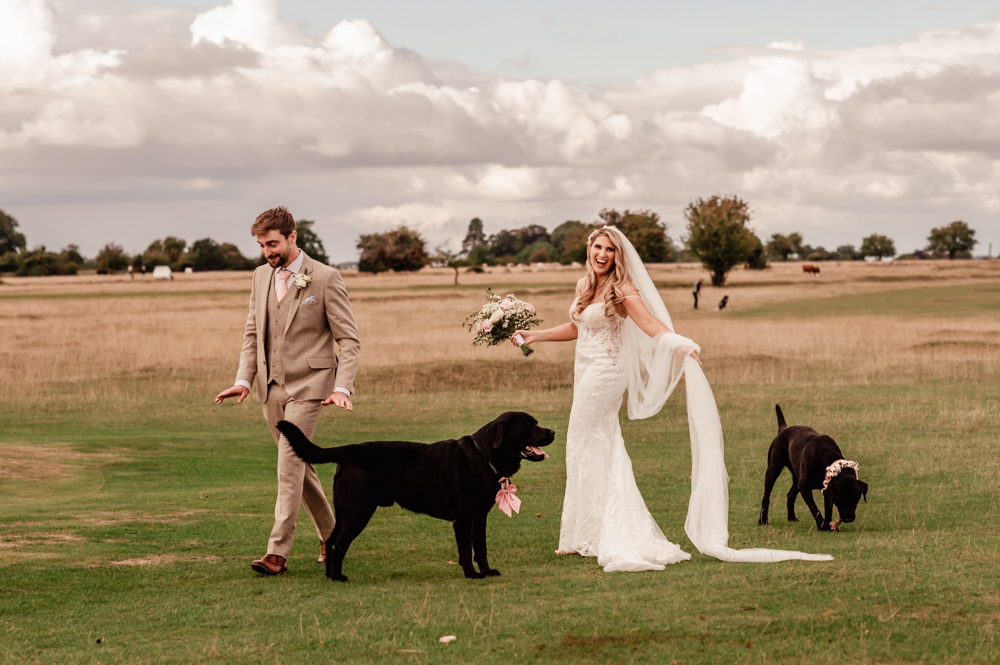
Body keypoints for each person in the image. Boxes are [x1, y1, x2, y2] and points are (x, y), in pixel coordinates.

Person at [513, 226, 831, 570]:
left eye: (610, 250)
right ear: (589, 249)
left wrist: (679, 343)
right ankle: (583, 534)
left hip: (606, 373)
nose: (602, 254)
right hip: (586, 371)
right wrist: (536, 335)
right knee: (589, 444)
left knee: (586, 440)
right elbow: (580, 327)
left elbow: (649, 322)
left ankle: (602, 533)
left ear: (618, 256)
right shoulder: (585, 285)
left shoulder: (622, 288)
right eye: (598, 247)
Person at [215, 206, 361, 576]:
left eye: (274, 243)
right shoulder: (260, 277)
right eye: (263, 245)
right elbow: (253, 334)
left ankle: (276, 552)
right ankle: (334, 537)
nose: (268, 252)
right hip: (270, 389)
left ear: (293, 236)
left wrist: (343, 387)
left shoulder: (326, 278)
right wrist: (244, 380)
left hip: (311, 387)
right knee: (300, 465)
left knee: (288, 465)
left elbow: (349, 340)